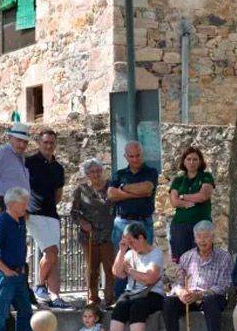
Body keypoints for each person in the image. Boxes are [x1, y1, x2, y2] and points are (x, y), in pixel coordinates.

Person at [161, 220, 233, 331]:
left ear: (213, 237)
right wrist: (181, 292)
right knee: (169, 303)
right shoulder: (186, 257)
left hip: (212, 296)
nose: (202, 240)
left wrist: (201, 295)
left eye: (206, 236)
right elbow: (178, 282)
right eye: (199, 237)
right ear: (194, 238)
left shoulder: (224, 257)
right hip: (189, 296)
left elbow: (224, 285)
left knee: (211, 301)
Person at [0, 187, 39, 331]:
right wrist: (5, 270)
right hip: (6, 276)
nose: (26, 205)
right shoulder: (2, 223)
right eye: (23, 202)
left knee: (25, 311)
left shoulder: (20, 220)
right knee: (1, 314)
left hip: (19, 275)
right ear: (12, 203)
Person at [102, 222, 165, 331]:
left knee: (138, 307)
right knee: (120, 306)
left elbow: (149, 278)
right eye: (127, 242)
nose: (130, 245)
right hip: (132, 292)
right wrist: (122, 251)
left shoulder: (155, 254)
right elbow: (117, 273)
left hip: (152, 293)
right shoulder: (129, 254)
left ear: (141, 238)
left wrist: (130, 271)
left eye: (132, 241)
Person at [24, 128, 70, 309]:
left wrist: (49, 205)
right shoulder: (29, 163)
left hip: (51, 214)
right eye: (45, 142)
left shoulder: (58, 168)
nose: (49, 146)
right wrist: (25, 209)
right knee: (50, 252)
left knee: (54, 256)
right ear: (39, 143)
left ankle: (55, 296)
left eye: (52, 143)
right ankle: (40, 285)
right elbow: (20, 184)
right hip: (34, 213)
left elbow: (58, 194)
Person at [108, 141, 159, 299]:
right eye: (131, 156)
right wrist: (136, 192)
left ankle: (141, 296)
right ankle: (121, 298)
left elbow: (147, 189)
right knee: (121, 259)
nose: (135, 159)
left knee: (144, 260)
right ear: (126, 157)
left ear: (142, 155)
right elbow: (111, 194)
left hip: (144, 223)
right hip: (122, 222)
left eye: (138, 155)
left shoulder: (150, 171)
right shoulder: (119, 174)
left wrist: (122, 189)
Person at [70, 158, 116, 307]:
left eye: (98, 171)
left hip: (109, 234)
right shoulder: (81, 190)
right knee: (92, 269)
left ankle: (110, 298)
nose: (95, 174)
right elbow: (74, 212)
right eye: (91, 172)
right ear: (87, 174)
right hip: (89, 235)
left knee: (111, 268)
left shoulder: (110, 186)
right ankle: (92, 297)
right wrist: (82, 223)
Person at [167, 146, 215, 263]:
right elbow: (174, 202)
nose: (191, 162)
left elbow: (203, 195)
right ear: (184, 161)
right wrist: (194, 199)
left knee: (201, 259)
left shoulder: (206, 176)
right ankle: (185, 282)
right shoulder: (178, 180)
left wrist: (183, 196)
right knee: (183, 261)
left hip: (201, 224)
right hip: (180, 224)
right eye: (188, 159)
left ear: (200, 161)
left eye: (195, 159)